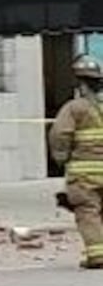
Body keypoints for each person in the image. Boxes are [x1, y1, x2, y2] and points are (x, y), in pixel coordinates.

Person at [49, 54, 103, 269]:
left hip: (84, 174)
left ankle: (98, 255)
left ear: (80, 83)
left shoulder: (74, 108)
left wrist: (60, 159)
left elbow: (60, 135)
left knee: (88, 212)